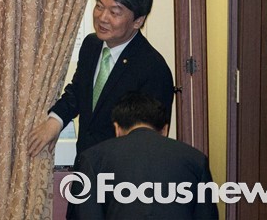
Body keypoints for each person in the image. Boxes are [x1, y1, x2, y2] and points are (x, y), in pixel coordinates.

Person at [28, 0, 174, 158]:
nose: (102, 17)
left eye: (114, 12)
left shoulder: (153, 68)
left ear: (138, 21)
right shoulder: (91, 45)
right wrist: (54, 121)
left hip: (122, 171)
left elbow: (149, 140)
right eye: (99, 6)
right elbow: (79, 91)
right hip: (86, 164)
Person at [66, 92, 219, 219]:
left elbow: (86, 214)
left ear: (117, 129)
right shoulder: (196, 160)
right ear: (165, 130)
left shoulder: (92, 159)